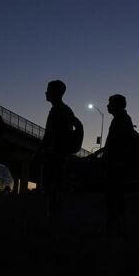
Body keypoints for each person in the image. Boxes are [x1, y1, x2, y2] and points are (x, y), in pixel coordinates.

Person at [34, 80, 84, 218]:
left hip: (55, 155)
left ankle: (54, 219)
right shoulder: (65, 110)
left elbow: (49, 135)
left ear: (57, 92)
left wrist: (38, 152)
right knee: (55, 189)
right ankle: (55, 218)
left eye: (49, 89)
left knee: (53, 189)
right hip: (58, 155)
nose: (46, 92)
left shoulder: (59, 111)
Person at [99, 94, 139, 234]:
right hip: (116, 164)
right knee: (115, 196)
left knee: (114, 196)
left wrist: (117, 161)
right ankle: (117, 225)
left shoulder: (122, 120)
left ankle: (117, 226)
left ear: (118, 105)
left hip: (117, 165)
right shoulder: (120, 119)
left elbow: (119, 144)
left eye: (110, 103)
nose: (108, 105)